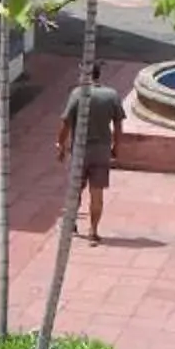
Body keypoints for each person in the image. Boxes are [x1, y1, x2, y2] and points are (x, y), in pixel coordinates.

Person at [56, 75, 127, 243]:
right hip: (101, 151)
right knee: (97, 194)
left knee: (75, 190)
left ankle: (71, 224)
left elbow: (65, 123)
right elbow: (118, 126)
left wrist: (61, 145)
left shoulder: (77, 94)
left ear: (84, 74)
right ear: (98, 75)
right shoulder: (112, 95)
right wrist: (116, 147)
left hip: (80, 150)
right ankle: (93, 231)